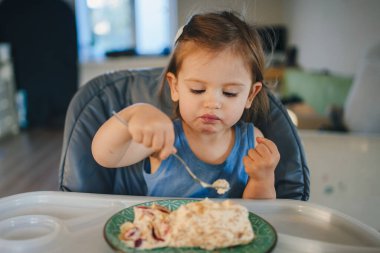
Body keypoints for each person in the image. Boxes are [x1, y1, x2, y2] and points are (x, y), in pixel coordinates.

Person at [92, 11, 280, 199]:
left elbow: (258, 214)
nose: (213, 103)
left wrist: (262, 179)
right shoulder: (163, 139)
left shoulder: (253, 142)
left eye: (230, 93)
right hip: (165, 227)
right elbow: (104, 156)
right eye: (197, 90)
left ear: (250, 95)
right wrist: (134, 114)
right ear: (175, 87)